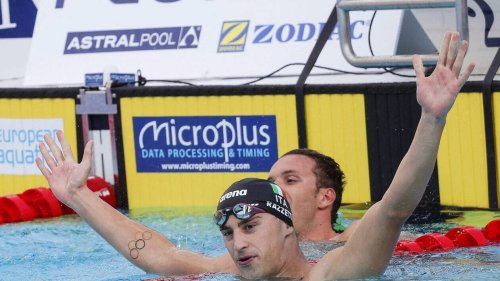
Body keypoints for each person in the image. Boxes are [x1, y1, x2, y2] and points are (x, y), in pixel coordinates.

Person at [36, 32, 474, 279]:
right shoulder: (226, 267)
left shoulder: (333, 273)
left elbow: (394, 207)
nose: (237, 242)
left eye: (248, 226)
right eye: (228, 232)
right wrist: (79, 197)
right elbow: (156, 254)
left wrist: (432, 118)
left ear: (288, 229)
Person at [268, 148, 357, 241]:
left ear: (325, 198)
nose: (273, 187)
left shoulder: (350, 244)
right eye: (270, 183)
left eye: (290, 180)